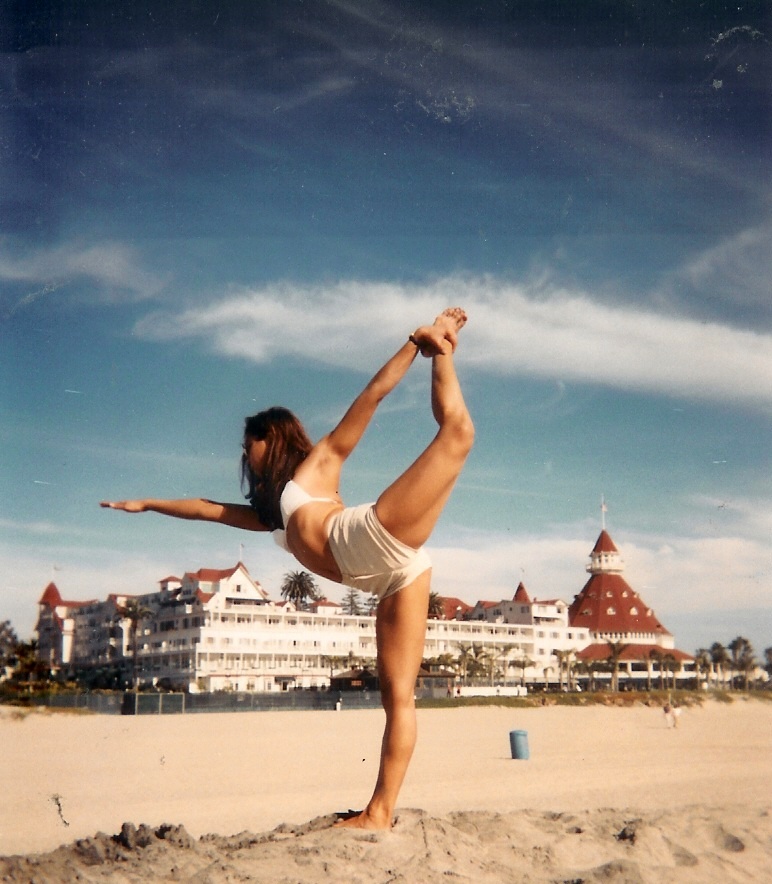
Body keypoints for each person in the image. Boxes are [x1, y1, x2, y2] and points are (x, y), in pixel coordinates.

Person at [101, 307, 474, 829]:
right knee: (399, 696)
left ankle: (442, 346)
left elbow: (370, 398)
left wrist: (414, 344)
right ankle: (379, 813)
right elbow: (208, 508)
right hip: (393, 576)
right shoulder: (268, 516)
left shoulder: (316, 466)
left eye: (249, 443)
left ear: (272, 438)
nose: (244, 454)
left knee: (457, 434)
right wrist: (146, 503)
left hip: (369, 536)